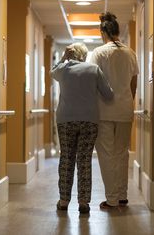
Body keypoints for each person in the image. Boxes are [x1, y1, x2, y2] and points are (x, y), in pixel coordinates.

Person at [51, 42, 114, 214]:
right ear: (84, 56)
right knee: (84, 160)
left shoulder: (63, 69)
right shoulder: (93, 70)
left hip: (65, 120)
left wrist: (64, 58)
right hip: (89, 120)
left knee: (66, 159)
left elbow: (52, 71)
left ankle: (63, 201)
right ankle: (83, 203)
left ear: (70, 54)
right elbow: (108, 95)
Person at [89, 12, 139, 209]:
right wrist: (127, 101)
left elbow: (93, 81)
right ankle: (123, 195)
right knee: (122, 153)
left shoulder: (99, 53)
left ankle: (111, 198)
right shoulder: (131, 52)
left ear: (103, 32)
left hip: (104, 111)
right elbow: (134, 83)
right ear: (117, 31)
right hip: (125, 110)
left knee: (106, 154)